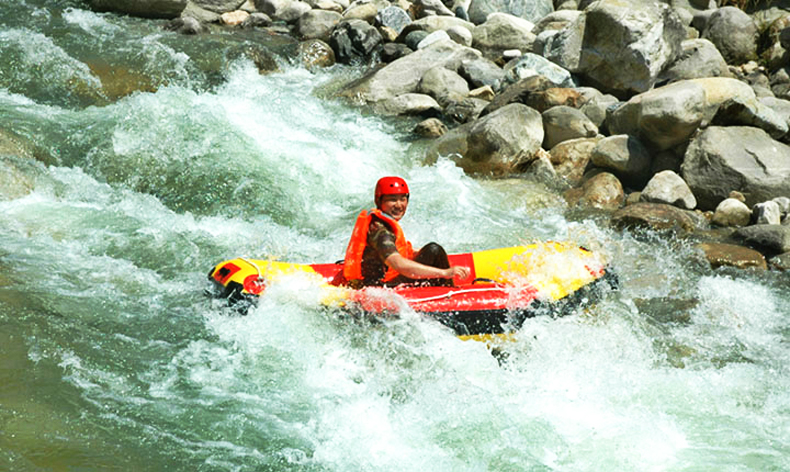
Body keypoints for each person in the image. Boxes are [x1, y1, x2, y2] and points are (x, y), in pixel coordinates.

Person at [333, 176, 470, 288]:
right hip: (379, 287)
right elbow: (398, 264)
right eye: (392, 200)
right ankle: (448, 293)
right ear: (379, 201)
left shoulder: (382, 222)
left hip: (379, 280)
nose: (399, 205)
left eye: (402, 199)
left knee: (432, 251)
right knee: (434, 250)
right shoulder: (380, 231)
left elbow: (399, 250)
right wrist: (445, 272)